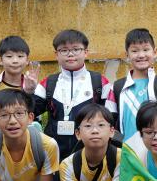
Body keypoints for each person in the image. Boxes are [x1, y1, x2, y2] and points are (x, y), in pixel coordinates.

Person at [33, 29, 113, 159]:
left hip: (91, 153)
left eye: (76, 49)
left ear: (86, 52)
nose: (70, 54)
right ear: (56, 54)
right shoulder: (48, 83)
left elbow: (111, 118)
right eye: (64, 50)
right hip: (54, 154)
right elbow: (30, 112)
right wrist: (29, 91)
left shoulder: (100, 82)